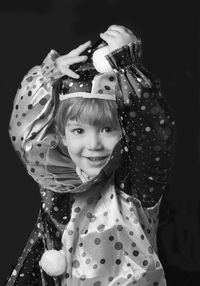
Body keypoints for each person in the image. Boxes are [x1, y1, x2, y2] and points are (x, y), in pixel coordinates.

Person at [6, 25, 175, 285]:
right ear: (61, 135)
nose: (93, 143)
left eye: (107, 129)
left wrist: (129, 69)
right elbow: (25, 135)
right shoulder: (58, 180)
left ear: (126, 131)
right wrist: (47, 76)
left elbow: (153, 134)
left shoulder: (135, 184)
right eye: (79, 130)